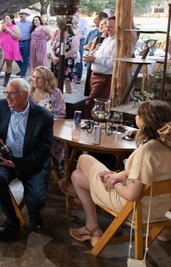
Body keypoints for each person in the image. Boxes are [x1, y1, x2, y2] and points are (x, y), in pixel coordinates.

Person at [66, 101, 171, 246]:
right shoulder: (165, 145)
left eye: (138, 115)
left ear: (144, 121)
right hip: (160, 209)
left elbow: (131, 195)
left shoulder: (147, 152)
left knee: (83, 159)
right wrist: (119, 176)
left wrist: (114, 183)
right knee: (77, 177)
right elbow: (146, 173)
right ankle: (92, 227)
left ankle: (72, 192)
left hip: (135, 209)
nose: (136, 117)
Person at [0, 78, 54, 241]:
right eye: (6, 92)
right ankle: (12, 222)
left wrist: (18, 164)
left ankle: (34, 214)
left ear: (25, 95)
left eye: (12, 93)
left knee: (36, 200)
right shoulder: (2, 107)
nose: (7, 97)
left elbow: (43, 151)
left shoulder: (43, 116)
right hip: (6, 159)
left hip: (32, 163)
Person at [30, 66, 66, 170]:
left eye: (39, 78)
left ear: (46, 79)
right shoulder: (29, 92)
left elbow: (60, 115)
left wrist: (43, 125)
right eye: (33, 77)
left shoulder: (55, 93)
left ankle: (48, 165)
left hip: (49, 130)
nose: (35, 80)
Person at [83, 17, 115, 118]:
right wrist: (90, 56)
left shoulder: (118, 42)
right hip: (95, 76)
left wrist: (94, 59)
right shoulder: (106, 40)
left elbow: (113, 63)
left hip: (104, 78)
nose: (108, 29)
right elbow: (97, 55)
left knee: (90, 105)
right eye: (107, 26)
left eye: (111, 27)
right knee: (94, 105)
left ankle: (87, 126)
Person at [83, 12, 109, 96]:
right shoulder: (96, 38)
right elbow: (88, 49)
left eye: (103, 26)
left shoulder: (110, 40)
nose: (102, 28)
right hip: (93, 67)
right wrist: (95, 49)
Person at [50, 21, 79, 94]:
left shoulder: (73, 37)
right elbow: (52, 48)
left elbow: (74, 50)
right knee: (56, 80)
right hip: (57, 61)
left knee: (67, 81)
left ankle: (69, 98)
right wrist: (53, 56)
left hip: (67, 62)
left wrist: (62, 58)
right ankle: (57, 97)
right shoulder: (58, 37)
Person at [0, 14, 22, 86]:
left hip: (10, 49)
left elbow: (17, 37)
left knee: (9, 64)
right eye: (5, 18)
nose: (6, 20)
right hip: (2, 48)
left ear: (11, 19)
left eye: (7, 18)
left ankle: (6, 80)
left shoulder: (15, 27)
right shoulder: (3, 27)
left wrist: (9, 30)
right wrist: (2, 29)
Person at [16, 10, 32, 77]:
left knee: (25, 58)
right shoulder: (16, 23)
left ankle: (23, 74)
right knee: (16, 57)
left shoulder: (30, 23)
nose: (21, 15)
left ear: (26, 15)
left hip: (27, 42)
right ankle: (23, 68)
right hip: (17, 42)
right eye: (20, 14)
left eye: (23, 14)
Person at [74, 12, 90, 81]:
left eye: (75, 13)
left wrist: (76, 25)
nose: (74, 14)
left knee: (79, 57)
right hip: (72, 39)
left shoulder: (83, 21)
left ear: (79, 13)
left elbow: (84, 30)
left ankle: (78, 77)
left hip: (81, 40)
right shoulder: (69, 20)